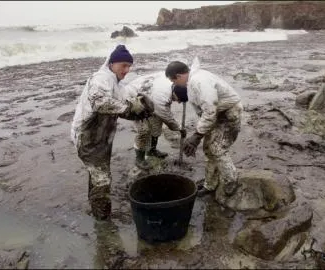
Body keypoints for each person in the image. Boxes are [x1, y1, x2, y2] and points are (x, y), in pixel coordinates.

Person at [71, 44, 154, 220]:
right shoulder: (101, 79)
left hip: (102, 139)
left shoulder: (117, 85)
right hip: (88, 138)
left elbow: (122, 109)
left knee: (98, 174)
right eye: (123, 65)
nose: (127, 69)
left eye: (129, 66)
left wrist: (139, 111)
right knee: (102, 180)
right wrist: (131, 106)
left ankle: (95, 208)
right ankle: (103, 221)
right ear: (111, 63)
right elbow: (100, 103)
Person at [165, 57, 243, 197]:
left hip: (230, 112)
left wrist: (196, 136)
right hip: (218, 114)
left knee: (217, 149)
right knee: (208, 149)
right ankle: (210, 184)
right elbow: (206, 113)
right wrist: (198, 136)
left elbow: (210, 111)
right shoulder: (192, 82)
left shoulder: (199, 80)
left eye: (174, 81)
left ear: (178, 76)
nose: (175, 84)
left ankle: (231, 180)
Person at [122, 71, 187, 170]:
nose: (177, 102)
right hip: (134, 99)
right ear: (174, 92)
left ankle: (152, 151)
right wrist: (179, 128)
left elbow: (163, 112)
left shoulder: (174, 84)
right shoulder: (162, 95)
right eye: (177, 99)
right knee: (144, 130)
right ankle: (139, 159)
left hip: (150, 98)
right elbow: (167, 117)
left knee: (156, 125)